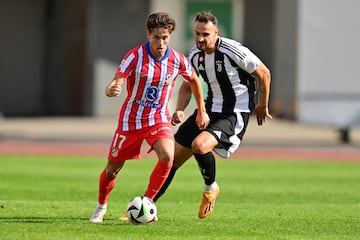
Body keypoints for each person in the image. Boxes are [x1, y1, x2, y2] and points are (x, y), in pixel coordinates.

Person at [89, 12, 209, 223]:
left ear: (170, 35)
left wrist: (200, 110)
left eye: (165, 37)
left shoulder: (177, 59)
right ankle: (101, 206)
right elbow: (117, 80)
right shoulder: (135, 56)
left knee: (167, 157)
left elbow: (194, 81)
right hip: (131, 121)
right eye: (156, 37)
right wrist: (111, 88)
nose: (161, 42)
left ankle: (148, 202)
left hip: (159, 119)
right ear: (148, 34)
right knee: (112, 170)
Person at [152, 10, 272, 218]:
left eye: (206, 34)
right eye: (197, 33)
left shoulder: (232, 50)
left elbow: (264, 73)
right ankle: (147, 205)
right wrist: (180, 108)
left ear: (216, 32)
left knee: (200, 146)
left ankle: (210, 189)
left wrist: (262, 104)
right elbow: (188, 86)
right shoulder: (195, 55)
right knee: (169, 160)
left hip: (233, 114)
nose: (200, 38)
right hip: (207, 111)